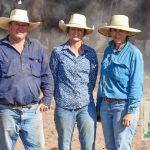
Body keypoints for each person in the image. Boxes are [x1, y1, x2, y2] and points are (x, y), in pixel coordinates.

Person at [0, 8, 54, 150]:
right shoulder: (0, 48)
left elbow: (46, 75)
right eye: (16, 24)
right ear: (10, 26)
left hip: (33, 111)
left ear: (28, 28)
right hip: (7, 111)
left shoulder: (36, 47)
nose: (20, 28)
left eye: (23, 25)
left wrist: (47, 99)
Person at [50, 13, 98, 150]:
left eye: (79, 29)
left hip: (86, 106)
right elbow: (52, 77)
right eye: (73, 28)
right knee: (64, 145)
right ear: (68, 30)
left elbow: (92, 79)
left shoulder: (91, 54)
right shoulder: (58, 52)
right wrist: (59, 98)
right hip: (64, 106)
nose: (76, 32)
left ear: (84, 32)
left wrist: (84, 95)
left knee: (89, 145)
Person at [96, 15, 144, 150]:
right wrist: (99, 106)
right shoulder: (107, 51)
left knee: (122, 146)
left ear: (127, 33)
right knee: (110, 145)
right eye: (114, 30)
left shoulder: (134, 54)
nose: (117, 34)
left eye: (121, 30)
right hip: (105, 106)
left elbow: (137, 84)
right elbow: (103, 81)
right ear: (110, 31)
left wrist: (131, 111)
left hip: (123, 107)